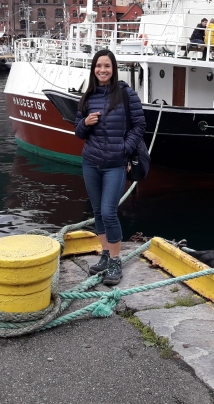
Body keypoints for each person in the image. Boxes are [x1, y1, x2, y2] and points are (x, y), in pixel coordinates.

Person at [75, 49, 145, 286]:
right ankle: (105, 254)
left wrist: (125, 148)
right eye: (98, 66)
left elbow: (139, 125)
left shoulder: (126, 94)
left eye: (106, 66)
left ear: (113, 69)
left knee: (108, 212)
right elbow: (78, 131)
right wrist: (85, 123)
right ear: (93, 69)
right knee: (97, 212)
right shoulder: (88, 96)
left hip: (115, 164)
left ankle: (116, 261)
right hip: (91, 162)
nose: (102, 70)